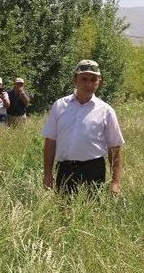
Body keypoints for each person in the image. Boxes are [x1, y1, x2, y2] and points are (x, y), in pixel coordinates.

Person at [42, 60, 124, 196]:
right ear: (75, 80)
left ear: (99, 82)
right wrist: (47, 174)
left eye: (93, 80)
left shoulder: (106, 111)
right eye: (84, 79)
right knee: (64, 213)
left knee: (91, 214)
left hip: (94, 170)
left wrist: (115, 182)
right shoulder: (59, 106)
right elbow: (50, 142)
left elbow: (115, 148)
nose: (89, 84)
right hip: (65, 170)